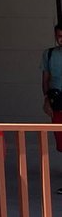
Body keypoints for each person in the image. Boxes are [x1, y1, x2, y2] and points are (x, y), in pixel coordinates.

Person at [42, 24, 62, 173]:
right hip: (57, 100)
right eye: (59, 36)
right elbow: (45, 79)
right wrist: (46, 100)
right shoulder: (49, 54)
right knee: (60, 139)